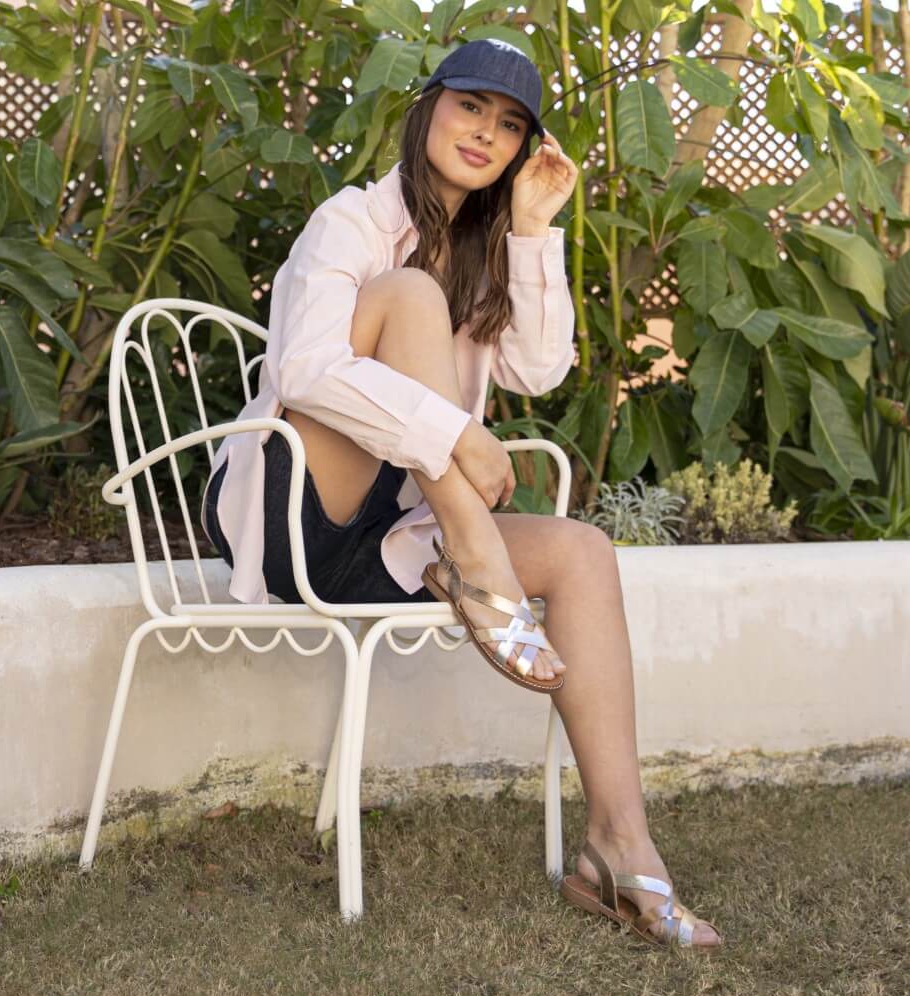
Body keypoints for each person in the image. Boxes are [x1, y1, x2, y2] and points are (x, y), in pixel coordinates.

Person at [202, 39, 722, 948]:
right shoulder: (352, 220)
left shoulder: (486, 244)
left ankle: (618, 848)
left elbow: (538, 366)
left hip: (406, 532)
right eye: (472, 107)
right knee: (404, 293)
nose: (487, 133)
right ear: (430, 107)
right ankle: (473, 556)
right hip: (300, 515)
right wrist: (455, 435)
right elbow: (306, 368)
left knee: (586, 555)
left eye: (511, 124)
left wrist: (530, 229)